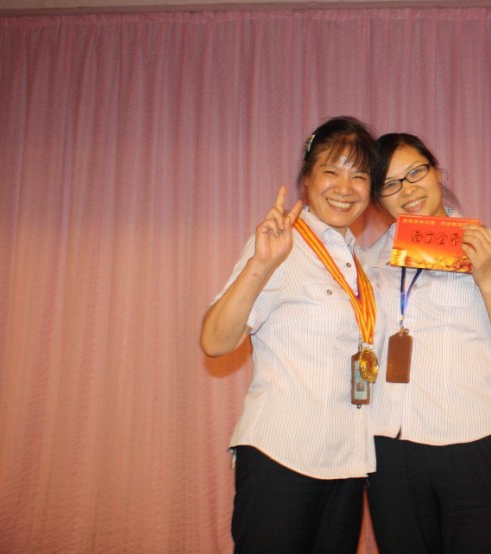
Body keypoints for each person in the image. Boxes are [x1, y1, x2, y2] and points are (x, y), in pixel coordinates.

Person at [200, 116, 379, 553]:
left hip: (347, 462)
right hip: (283, 456)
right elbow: (216, 342)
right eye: (331, 171)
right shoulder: (282, 246)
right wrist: (261, 264)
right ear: (306, 180)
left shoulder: (360, 262)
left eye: (359, 176)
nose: (345, 187)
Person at [363, 133, 491, 554]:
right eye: (390, 184)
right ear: (377, 199)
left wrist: (488, 278)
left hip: (475, 445)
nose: (407, 190)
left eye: (415, 173)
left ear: (437, 172)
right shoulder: (368, 262)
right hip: (391, 450)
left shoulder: (490, 244)